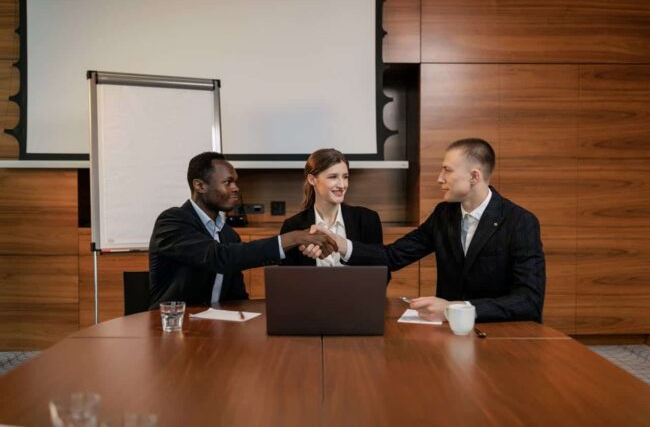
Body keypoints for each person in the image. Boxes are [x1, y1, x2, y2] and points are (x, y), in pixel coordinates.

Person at [307, 138, 546, 323]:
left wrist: (455, 309)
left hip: (505, 334)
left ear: (474, 177)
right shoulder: (444, 215)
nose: (440, 179)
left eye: (447, 170)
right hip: (449, 336)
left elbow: (528, 302)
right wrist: (340, 243)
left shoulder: (520, 222)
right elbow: (393, 256)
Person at [148, 152, 337, 308]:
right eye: (228, 182)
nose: (236, 188)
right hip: (173, 327)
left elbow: (236, 296)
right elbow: (218, 257)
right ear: (200, 185)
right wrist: (293, 238)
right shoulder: (172, 221)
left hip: (216, 330)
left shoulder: (229, 235)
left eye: (236, 182)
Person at [280, 148, 383, 267]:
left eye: (345, 177)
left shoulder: (368, 219)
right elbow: (287, 280)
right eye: (333, 177)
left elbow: (382, 272)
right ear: (312, 180)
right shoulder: (292, 226)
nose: (342, 185)